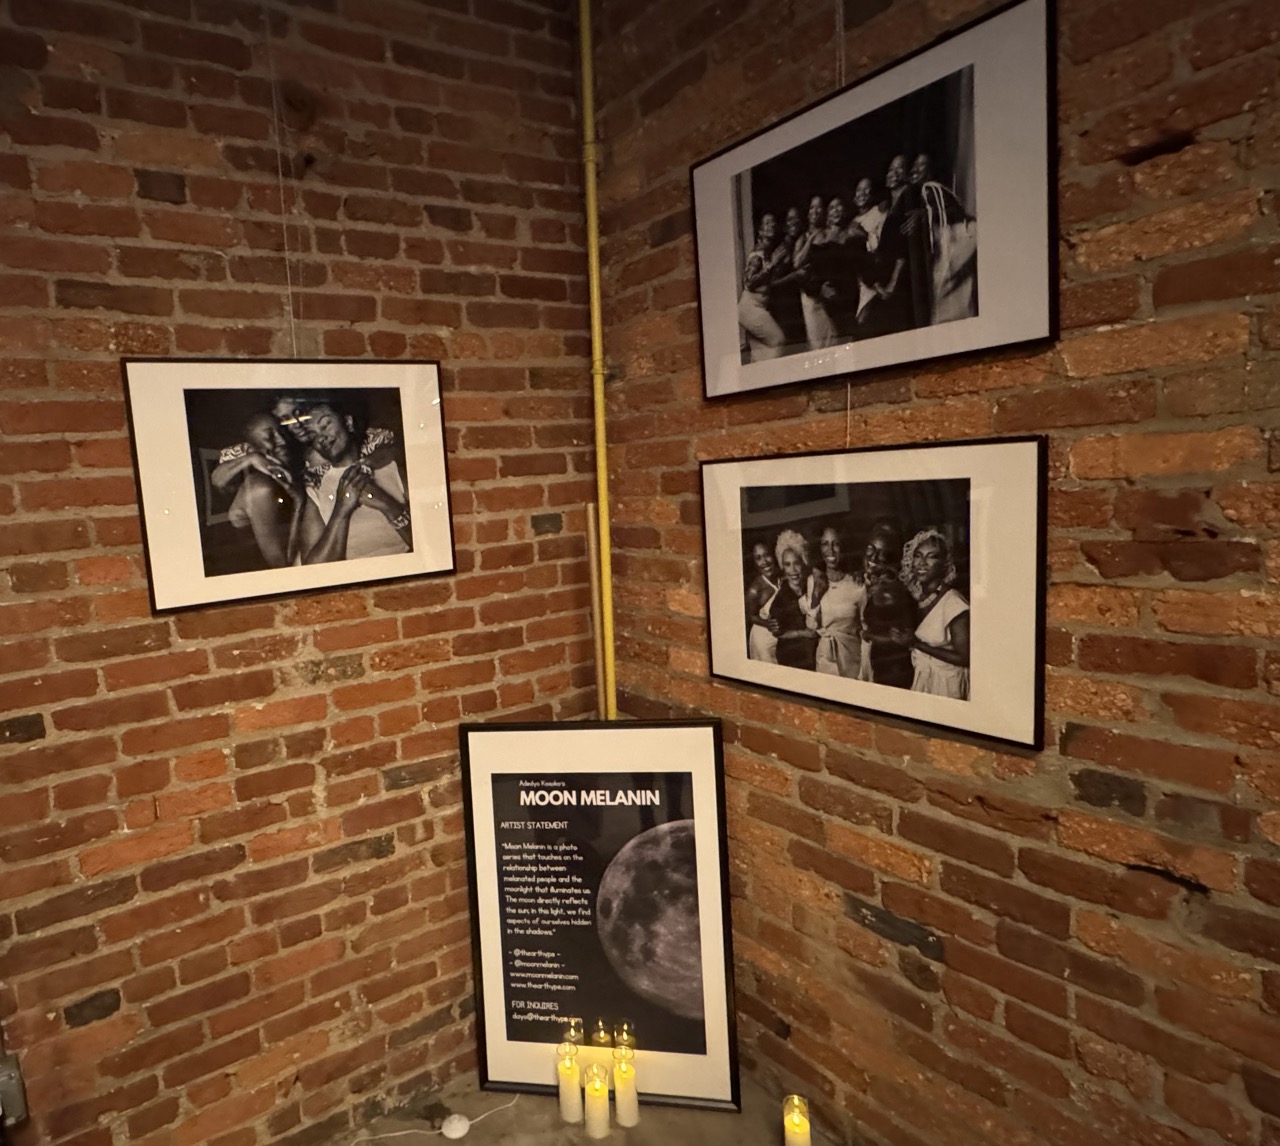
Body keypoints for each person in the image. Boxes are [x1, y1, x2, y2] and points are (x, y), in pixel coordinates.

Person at [295, 400, 411, 563]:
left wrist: (386, 503)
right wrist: (341, 510)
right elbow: (313, 568)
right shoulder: (316, 488)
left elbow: (432, 542)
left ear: (348, 423)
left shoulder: (391, 464)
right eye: (313, 435)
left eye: (326, 425)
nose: (321, 438)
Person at [209, 410, 302, 569]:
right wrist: (300, 504)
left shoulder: (289, 472)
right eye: (270, 437)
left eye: (282, 432)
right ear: (253, 447)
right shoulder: (260, 487)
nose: (282, 440)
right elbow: (281, 565)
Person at [898, 528, 970, 699]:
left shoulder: (953, 603)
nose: (922, 562)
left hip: (947, 685)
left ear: (944, 564)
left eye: (932, 556)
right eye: (918, 555)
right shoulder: (919, 597)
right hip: (925, 679)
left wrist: (916, 644)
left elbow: (966, 658)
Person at [859, 154, 914, 338]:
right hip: (883, 281)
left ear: (907, 174)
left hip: (896, 284)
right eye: (891, 169)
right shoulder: (889, 207)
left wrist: (891, 285)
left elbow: (902, 251)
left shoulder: (908, 200)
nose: (894, 173)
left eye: (900, 169)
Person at [858, 520, 916, 689]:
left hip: (895, 670)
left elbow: (899, 640)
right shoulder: (876, 583)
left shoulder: (891, 591)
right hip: (880, 665)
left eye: (882, 553)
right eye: (870, 550)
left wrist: (868, 636)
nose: (874, 558)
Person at [806, 525, 863, 677]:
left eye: (836, 544)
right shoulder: (813, 581)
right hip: (826, 661)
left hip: (854, 660)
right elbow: (811, 625)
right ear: (819, 548)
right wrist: (817, 593)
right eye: (825, 544)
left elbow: (866, 628)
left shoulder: (857, 584)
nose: (830, 550)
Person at [737, 212, 789, 361]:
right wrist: (772, 265)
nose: (771, 225)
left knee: (760, 354)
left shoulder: (768, 252)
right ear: (760, 231)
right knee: (778, 340)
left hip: (757, 307)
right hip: (750, 308)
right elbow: (749, 282)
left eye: (773, 222)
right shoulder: (757, 254)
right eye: (767, 223)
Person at [793, 195, 837, 351]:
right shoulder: (802, 238)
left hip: (831, 295)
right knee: (817, 343)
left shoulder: (830, 233)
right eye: (812, 207)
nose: (815, 211)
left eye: (819, 207)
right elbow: (797, 264)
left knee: (833, 342)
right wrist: (810, 239)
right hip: (811, 297)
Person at [772, 529, 819, 671]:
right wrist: (803, 633)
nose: (793, 570)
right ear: (782, 567)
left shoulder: (810, 586)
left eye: (796, 563)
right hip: (791, 657)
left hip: (814, 656)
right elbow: (778, 633)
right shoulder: (780, 599)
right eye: (787, 564)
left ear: (803, 562)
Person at [745, 539, 781, 663]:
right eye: (758, 558)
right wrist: (767, 624)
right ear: (755, 562)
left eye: (767, 555)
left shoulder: (781, 578)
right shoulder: (755, 589)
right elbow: (750, 616)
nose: (764, 561)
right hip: (763, 639)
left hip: (778, 638)